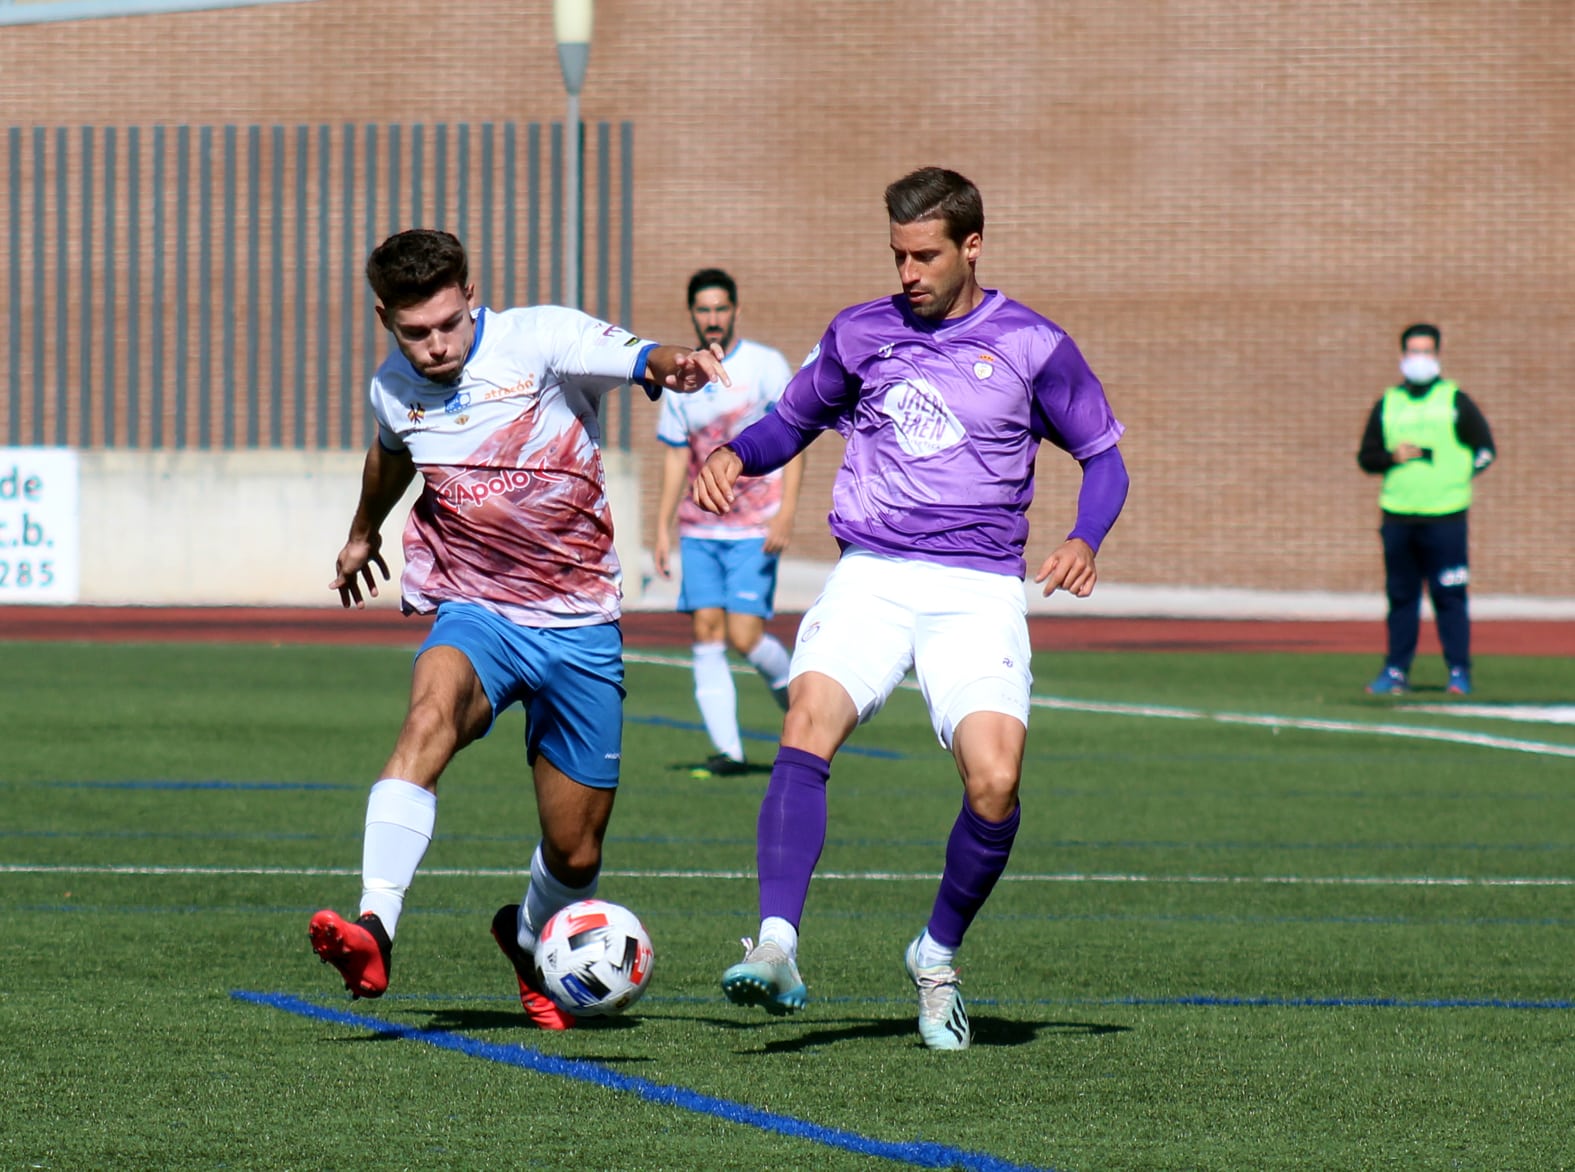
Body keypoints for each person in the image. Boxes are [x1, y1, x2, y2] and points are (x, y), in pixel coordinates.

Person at [691, 167, 1129, 1051]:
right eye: (897, 255)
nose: (908, 273)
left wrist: (1085, 538)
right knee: (806, 721)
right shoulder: (860, 332)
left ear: (971, 246)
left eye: (925, 254)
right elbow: (793, 422)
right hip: (874, 573)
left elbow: (1103, 457)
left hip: (977, 589)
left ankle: (935, 955)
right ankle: (775, 943)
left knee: (995, 784)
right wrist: (739, 454)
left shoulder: (1033, 344)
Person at [307, 228, 727, 1030]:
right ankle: (375, 925)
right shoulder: (393, 386)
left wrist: (671, 363)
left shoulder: (541, 340)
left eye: (446, 324)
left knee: (575, 853)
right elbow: (391, 452)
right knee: (428, 716)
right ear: (384, 320)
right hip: (477, 610)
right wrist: (364, 530)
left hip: (578, 627)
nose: (433, 346)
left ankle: (530, 939)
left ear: (472, 295)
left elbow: (643, 356)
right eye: (413, 333)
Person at [653, 268, 805, 777]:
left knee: (744, 634)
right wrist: (661, 528)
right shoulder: (679, 376)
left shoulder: (764, 365)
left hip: (754, 525)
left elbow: (795, 436)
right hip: (700, 528)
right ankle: (729, 753)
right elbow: (677, 457)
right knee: (706, 631)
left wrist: (786, 511)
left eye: (721, 309)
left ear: (735, 310)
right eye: (703, 310)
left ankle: (802, 714)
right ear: (692, 314)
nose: (712, 319)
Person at [1357, 323, 1495, 697]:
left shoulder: (1454, 401)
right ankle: (1396, 670)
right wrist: (1391, 457)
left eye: (1426, 351)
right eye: (1413, 352)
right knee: (1402, 597)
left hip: (1445, 516)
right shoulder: (1389, 404)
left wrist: (1457, 477)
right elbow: (1366, 458)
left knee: (1449, 596)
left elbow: (1485, 449)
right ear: (1402, 356)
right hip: (1398, 514)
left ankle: (1458, 672)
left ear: (1437, 355)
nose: (1420, 359)